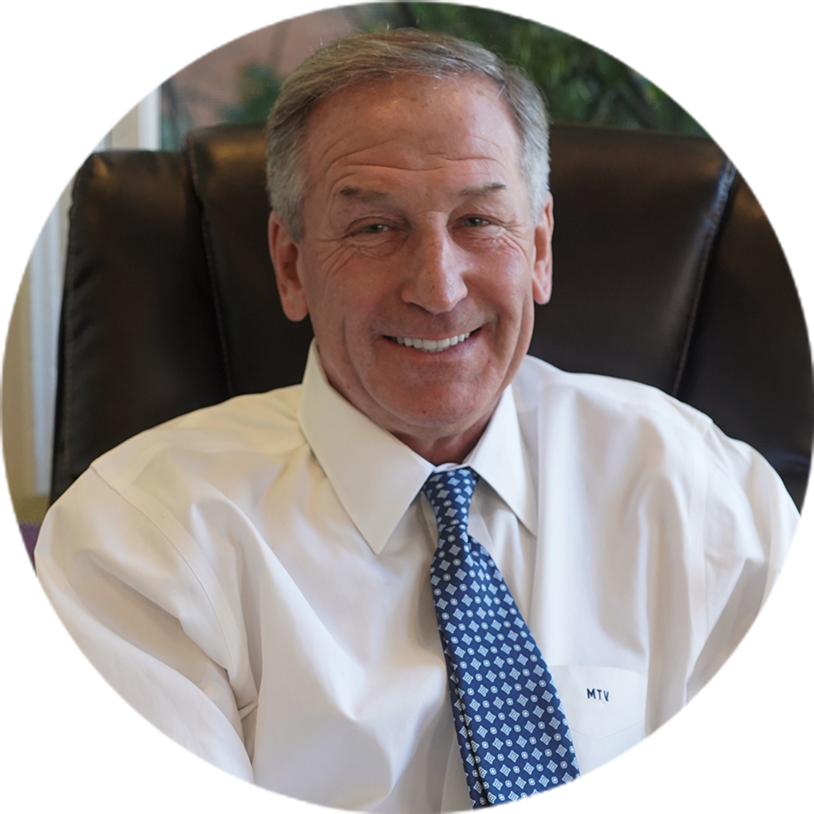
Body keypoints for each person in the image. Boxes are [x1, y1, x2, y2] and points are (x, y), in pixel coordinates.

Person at [35, 28, 814, 814]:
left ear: (539, 248)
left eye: (479, 222)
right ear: (290, 265)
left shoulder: (679, 473)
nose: (438, 289)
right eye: (375, 228)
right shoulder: (141, 535)